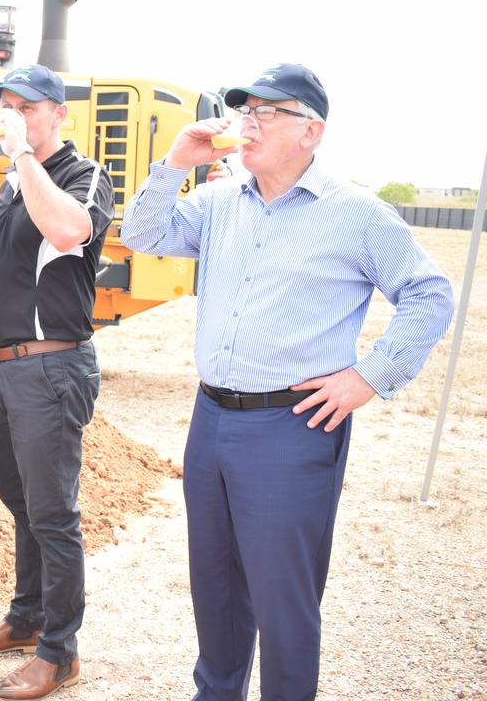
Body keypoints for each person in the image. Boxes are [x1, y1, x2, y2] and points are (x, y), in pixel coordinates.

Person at [121, 63, 455, 700]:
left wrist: (369, 376)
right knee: (214, 587)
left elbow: (428, 293)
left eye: (267, 113)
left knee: (282, 600)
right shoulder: (219, 200)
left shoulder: (357, 214)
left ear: (312, 131)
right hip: (211, 419)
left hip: (292, 426)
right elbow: (142, 235)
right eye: (245, 111)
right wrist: (173, 160)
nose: (248, 123)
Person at [0, 64, 114, 700]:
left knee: (54, 514)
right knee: (22, 505)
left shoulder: (81, 175)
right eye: (5, 103)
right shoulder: (12, 186)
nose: (12, 111)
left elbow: (69, 230)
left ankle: (60, 652)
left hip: (51, 368)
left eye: (26, 104)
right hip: (4, 368)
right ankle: (26, 619)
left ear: (59, 115)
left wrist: (22, 153)